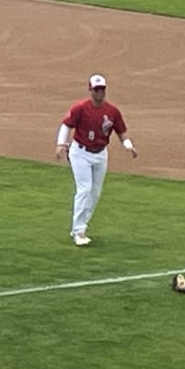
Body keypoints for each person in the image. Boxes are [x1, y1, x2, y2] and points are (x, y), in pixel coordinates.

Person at [55, 74, 138, 245]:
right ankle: (78, 231)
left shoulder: (112, 112)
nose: (100, 93)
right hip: (80, 152)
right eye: (96, 89)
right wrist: (61, 144)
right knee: (84, 189)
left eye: (102, 89)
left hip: (100, 153)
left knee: (95, 193)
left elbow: (121, 132)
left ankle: (82, 227)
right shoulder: (80, 108)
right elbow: (67, 125)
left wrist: (128, 145)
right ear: (90, 90)